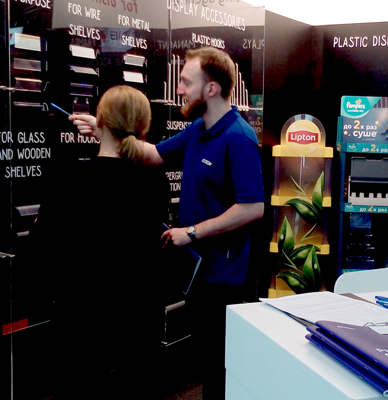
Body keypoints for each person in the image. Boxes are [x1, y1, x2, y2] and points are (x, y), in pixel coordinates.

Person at [72, 47, 264, 399]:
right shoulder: (198, 130)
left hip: (223, 278)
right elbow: (154, 154)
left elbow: (252, 207)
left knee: (219, 367)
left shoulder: (238, 139)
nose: (178, 89)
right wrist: (103, 130)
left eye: (186, 82)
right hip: (197, 273)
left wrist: (192, 232)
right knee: (205, 359)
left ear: (211, 89)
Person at [29, 85, 170, 399]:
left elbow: (41, 247)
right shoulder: (154, 181)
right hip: (138, 318)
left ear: (100, 120)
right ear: (144, 127)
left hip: (82, 320)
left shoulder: (70, 178)